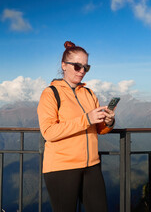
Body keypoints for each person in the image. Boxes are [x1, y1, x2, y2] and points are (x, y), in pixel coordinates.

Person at [37, 41, 115, 212]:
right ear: (63, 65)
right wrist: (86, 119)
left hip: (91, 165)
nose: (82, 72)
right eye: (77, 66)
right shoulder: (50, 94)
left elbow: (99, 129)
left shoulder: (88, 93)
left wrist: (108, 122)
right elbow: (48, 132)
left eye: (86, 68)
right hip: (61, 168)